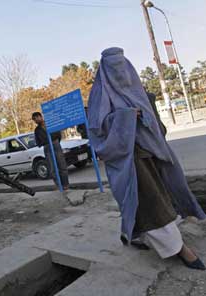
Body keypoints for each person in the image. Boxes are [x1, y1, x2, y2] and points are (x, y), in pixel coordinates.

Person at [87, 47, 205, 270]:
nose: (120, 73)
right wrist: (126, 116)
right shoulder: (99, 97)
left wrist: (148, 120)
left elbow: (159, 127)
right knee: (153, 204)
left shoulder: (140, 92)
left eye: (122, 66)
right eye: (114, 68)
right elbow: (97, 131)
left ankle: (132, 233)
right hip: (129, 160)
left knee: (150, 200)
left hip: (155, 154)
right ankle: (181, 250)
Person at [32, 112, 69, 190]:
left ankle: (66, 185)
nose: (36, 121)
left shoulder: (51, 124)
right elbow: (38, 142)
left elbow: (59, 135)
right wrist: (45, 143)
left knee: (62, 165)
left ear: (41, 116)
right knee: (52, 168)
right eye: (34, 120)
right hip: (47, 147)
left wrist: (55, 142)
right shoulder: (37, 130)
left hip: (56, 145)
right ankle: (59, 186)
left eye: (36, 118)